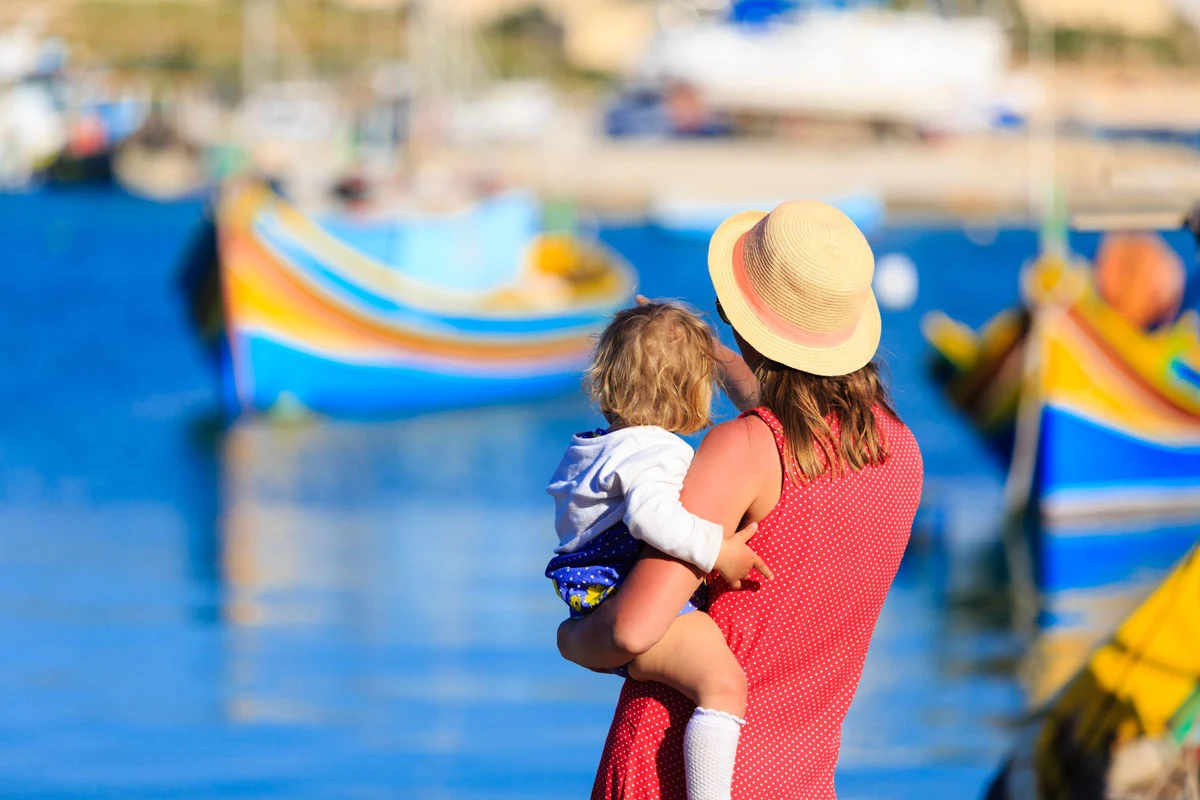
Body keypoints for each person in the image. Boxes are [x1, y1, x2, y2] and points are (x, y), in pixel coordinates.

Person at [557, 201, 925, 799]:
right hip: (798, 777)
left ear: (734, 310)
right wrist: (719, 356)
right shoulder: (898, 453)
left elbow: (630, 631)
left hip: (680, 771)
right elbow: (794, 424)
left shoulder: (740, 448)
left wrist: (570, 637)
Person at [545, 301, 773, 800]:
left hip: (591, 596)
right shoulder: (659, 451)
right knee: (724, 686)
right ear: (690, 393)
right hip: (624, 597)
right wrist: (718, 550)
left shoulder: (596, 447)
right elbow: (652, 517)